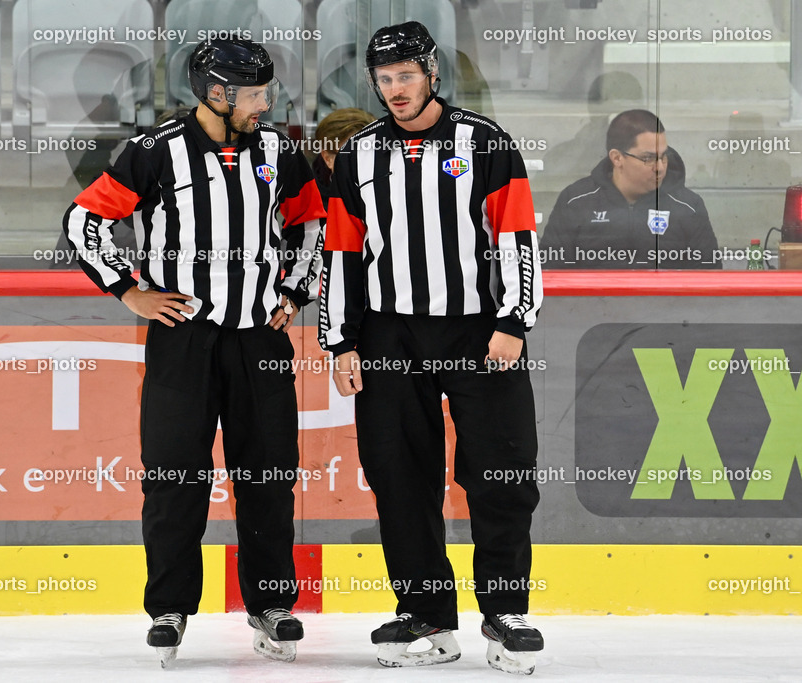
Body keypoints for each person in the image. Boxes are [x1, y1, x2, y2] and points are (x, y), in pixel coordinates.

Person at [62, 38, 325, 667]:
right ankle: (170, 608)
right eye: (256, 94)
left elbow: (312, 222)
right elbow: (82, 223)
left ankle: (270, 605)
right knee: (174, 477)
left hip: (261, 339)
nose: (267, 103)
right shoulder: (156, 150)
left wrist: (293, 290)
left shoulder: (277, 150)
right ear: (216, 94)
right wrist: (131, 291)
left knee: (268, 476)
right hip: (183, 340)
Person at [319, 21, 545, 673]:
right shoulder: (358, 154)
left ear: (432, 74)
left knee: (501, 471)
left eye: (406, 76)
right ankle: (425, 614)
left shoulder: (486, 143)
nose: (395, 90)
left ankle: (506, 611)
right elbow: (341, 253)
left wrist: (514, 320)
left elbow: (515, 239)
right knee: (399, 473)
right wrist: (341, 340)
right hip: (391, 334)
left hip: (480, 329)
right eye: (384, 80)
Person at [541, 109, 720, 269]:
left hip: (668, 306)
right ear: (617, 158)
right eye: (648, 158)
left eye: (663, 156)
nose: (660, 167)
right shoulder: (576, 201)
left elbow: (710, 281)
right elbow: (549, 274)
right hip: (592, 305)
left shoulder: (687, 206)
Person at [310, 107, 377, 203]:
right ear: (328, 159)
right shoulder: (307, 210)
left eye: (371, 155)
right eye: (351, 158)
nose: (364, 165)